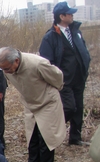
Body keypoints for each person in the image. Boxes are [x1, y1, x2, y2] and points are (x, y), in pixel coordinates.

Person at [0, 47, 66, 162]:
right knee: (32, 139)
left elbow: (57, 77)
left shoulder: (37, 64)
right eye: (2, 69)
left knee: (46, 139)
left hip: (47, 103)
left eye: (7, 68)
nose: (5, 72)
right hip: (30, 104)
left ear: (16, 61)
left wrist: (50, 92)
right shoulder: (7, 68)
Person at [39, 1, 91, 146]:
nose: (72, 15)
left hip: (79, 77)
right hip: (63, 80)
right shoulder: (50, 37)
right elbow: (45, 62)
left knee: (79, 107)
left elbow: (83, 51)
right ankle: (51, 131)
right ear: (61, 16)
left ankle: (75, 138)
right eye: (69, 13)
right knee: (69, 107)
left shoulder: (76, 32)